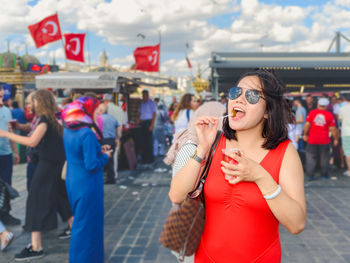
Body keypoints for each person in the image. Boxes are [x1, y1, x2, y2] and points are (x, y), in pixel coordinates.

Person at [169, 69, 306, 262]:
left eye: (251, 95)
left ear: (267, 111)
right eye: (236, 93)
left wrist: (260, 176)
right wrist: (202, 149)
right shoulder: (214, 143)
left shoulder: (285, 152)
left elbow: (297, 224)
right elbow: (176, 195)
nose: (239, 99)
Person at [0, 90, 70, 261]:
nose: (31, 105)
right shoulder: (54, 118)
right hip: (56, 164)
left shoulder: (45, 119)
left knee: (35, 202)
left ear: (42, 102)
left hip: (47, 166)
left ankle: (36, 247)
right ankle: (77, 232)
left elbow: (32, 141)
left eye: (33, 101)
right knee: (62, 200)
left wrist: (6, 134)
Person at [61, 97, 112, 263]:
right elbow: (91, 164)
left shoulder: (68, 130)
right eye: (96, 109)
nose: (97, 112)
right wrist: (105, 156)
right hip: (88, 184)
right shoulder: (87, 133)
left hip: (73, 181)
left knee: (80, 222)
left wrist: (99, 150)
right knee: (88, 224)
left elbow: (78, 154)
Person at [303, 98, 338, 181]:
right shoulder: (329, 115)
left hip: (312, 139)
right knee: (324, 158)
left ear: (318, 104)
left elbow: (307, 125)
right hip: (324, 140)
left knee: (311, 158)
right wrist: (336, 139)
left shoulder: (312, 113)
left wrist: (305, 134)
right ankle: (324, 175)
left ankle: (310, 175)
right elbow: (332, 129)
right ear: (326, 106)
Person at [0, 86, 20, 226]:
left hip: (6, 153)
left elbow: (10, 131)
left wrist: (15, 151)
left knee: (7, 184)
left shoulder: (7, 111)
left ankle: (5, 214)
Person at [96, 103, 120, 184]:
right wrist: (117, 138)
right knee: (110, 160)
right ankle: (111, 177)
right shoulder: (112, 118)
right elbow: (118, 127)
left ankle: (109, 178)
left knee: (105, 160)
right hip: (111, 140)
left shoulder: (99, 118)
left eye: (98, 109)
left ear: (102, 110)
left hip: (103, 140)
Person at [136, 90, 157, 164]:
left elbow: (154, 114)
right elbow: (139, 113)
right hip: (142, 123)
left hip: (149, 122)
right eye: (143, 96)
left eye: (145, 95)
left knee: (149, 142)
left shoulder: (152, 103)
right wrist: (138, 120)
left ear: (147, 95)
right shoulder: (142, 104)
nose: (144, 97)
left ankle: (150, 158)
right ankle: (145, 158)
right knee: (143, 141)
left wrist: (152, 125)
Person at [339, 94, 350, 176]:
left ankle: (349, 171)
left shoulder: (342, 108)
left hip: (346, 132)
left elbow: (341, 120)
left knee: (348, 152)